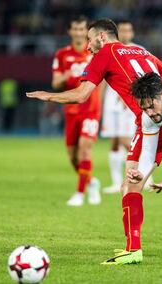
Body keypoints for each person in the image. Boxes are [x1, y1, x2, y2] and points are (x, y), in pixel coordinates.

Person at [27, 18, 162, 264]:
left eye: (91, 40)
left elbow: (82, 95)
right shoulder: (140, 50)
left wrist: (48, 96)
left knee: (130, 184)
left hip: (152, 123)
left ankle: (133, 249)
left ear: (102, 37)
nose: (88, 47)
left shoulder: (105, 53)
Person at [51, 15, 102, 206]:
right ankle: (92, 183)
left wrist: (100, 106)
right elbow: (55, 82)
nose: (79, 33)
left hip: (91, 109)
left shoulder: (95, 52)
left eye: (83, 29)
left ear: (87, 31)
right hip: (71, 110)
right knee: (73, 157)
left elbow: (103, 83)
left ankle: (80, 194)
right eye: (76, 29)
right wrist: (67, 73)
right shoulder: (62, 54)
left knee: (84, 150)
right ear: (70, 32)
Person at [101, 20, 148, 194]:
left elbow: (144, 77)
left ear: (132, 33)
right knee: (114, 141)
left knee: (127, 140)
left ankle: (145, 174)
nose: (125, 33)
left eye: (128, 30)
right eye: (122, 30)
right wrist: (99, 103)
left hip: (129, 103)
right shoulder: (108, 50)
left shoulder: (139, 50)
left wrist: (130, 95)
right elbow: (102, 80)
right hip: (110, 102)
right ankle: (115, 182)